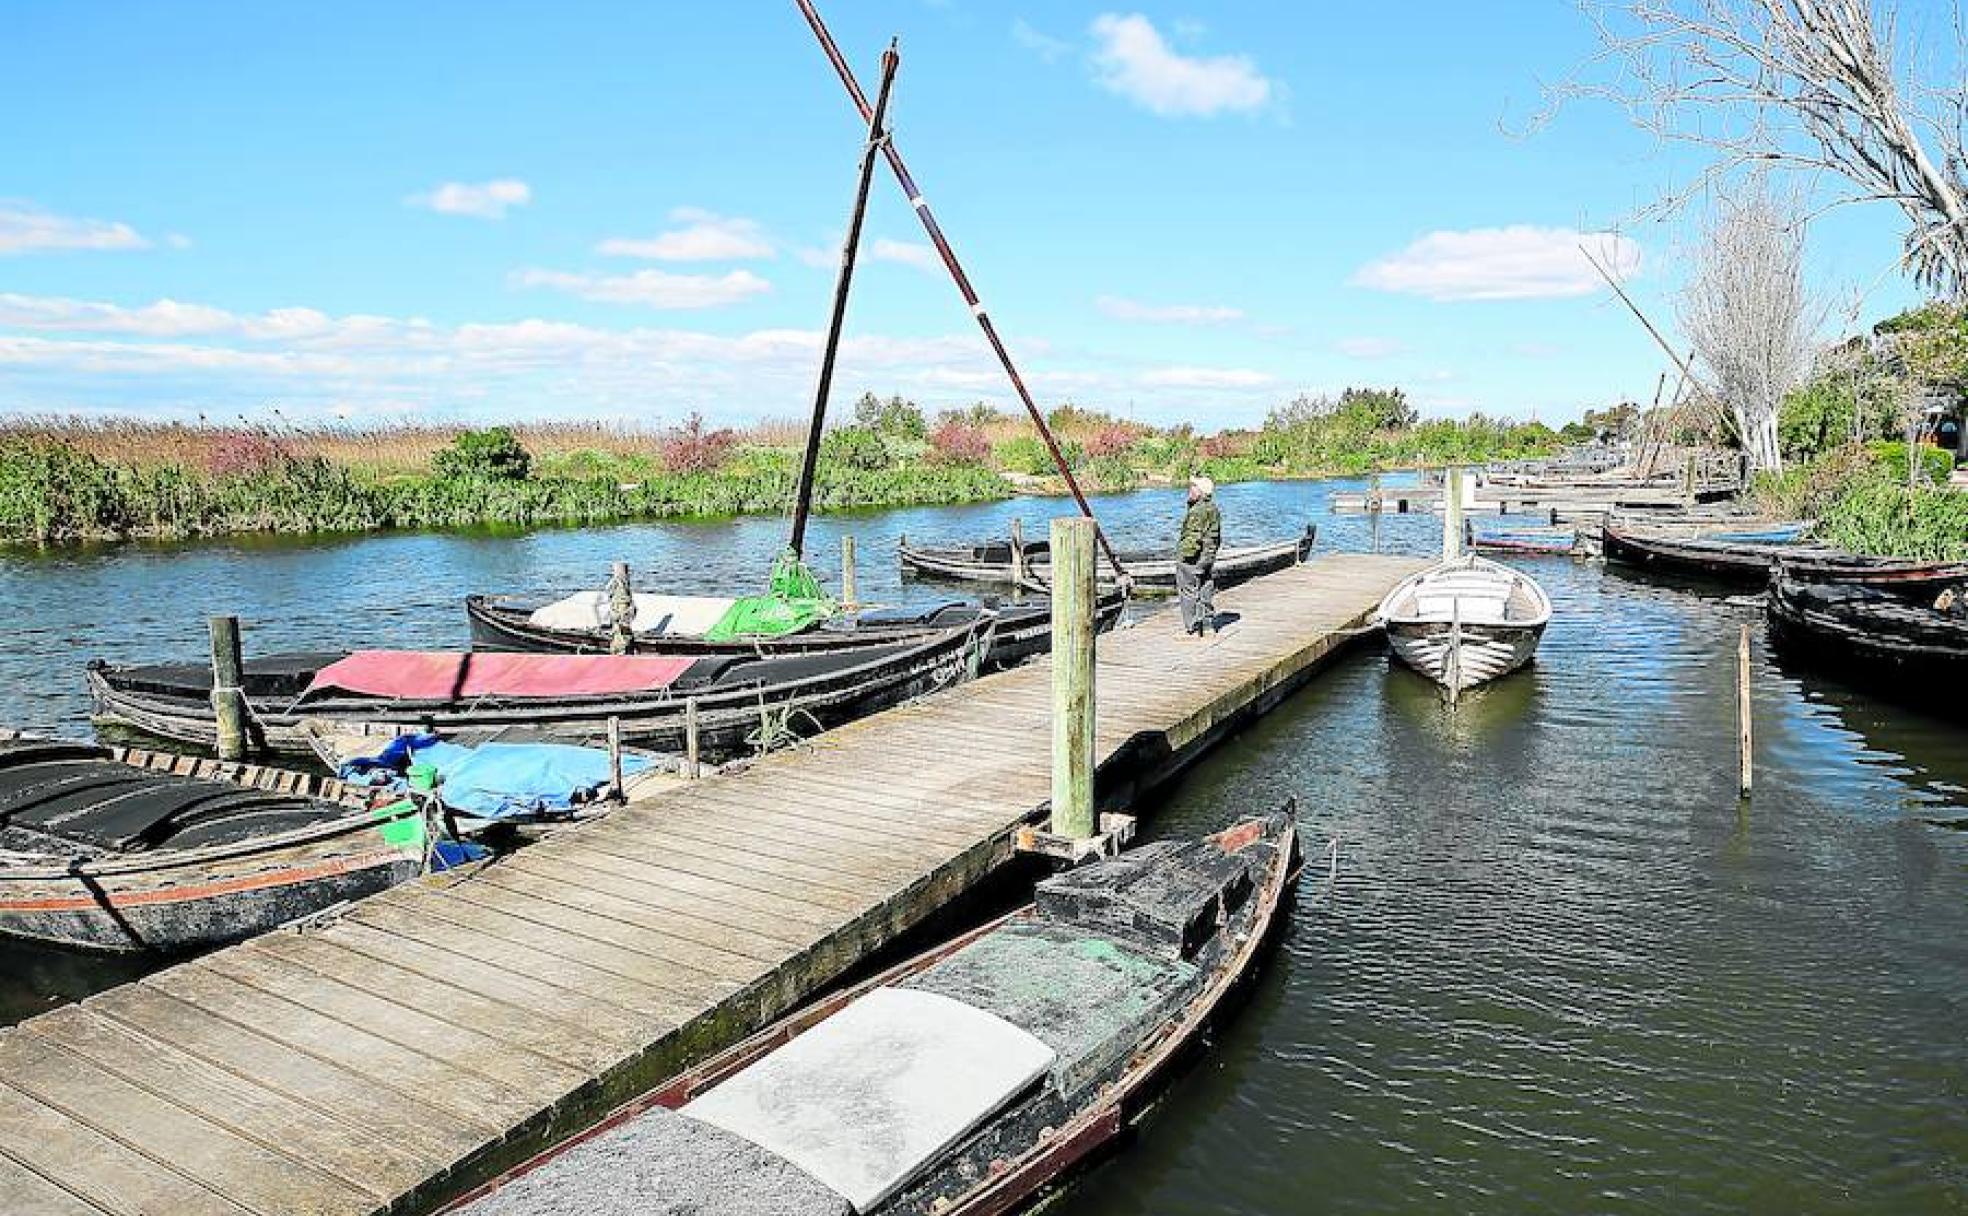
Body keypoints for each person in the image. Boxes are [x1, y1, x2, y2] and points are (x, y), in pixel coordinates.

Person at [1176, 475, 1221, 635]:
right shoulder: (1213, 508)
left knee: (1188, 589)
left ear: (1200, 491)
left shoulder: (1197, 511)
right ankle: (1208, 624)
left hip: (1195, 557)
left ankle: (1193, 628)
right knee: (1205, 585)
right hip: (1208, 556)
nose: (1190, 489)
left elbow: (1193, 538)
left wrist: (1182, 557)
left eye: (1193, 487)